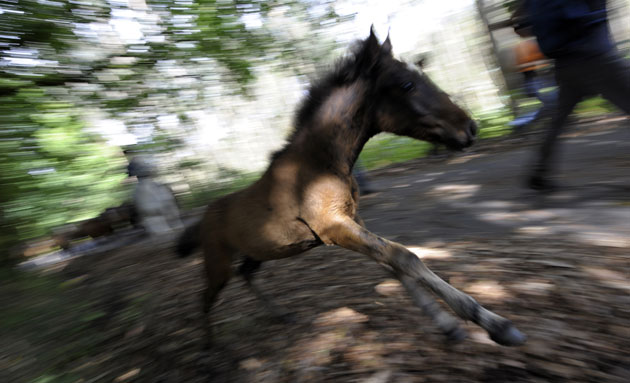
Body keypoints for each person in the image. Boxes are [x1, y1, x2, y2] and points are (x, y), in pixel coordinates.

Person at [522, 0, 630, 191]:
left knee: (558, 120)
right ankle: (539, 171)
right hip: (596, 57)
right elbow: (581, 16)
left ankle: (539, 171)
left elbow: (526, 26)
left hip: (565, 65)